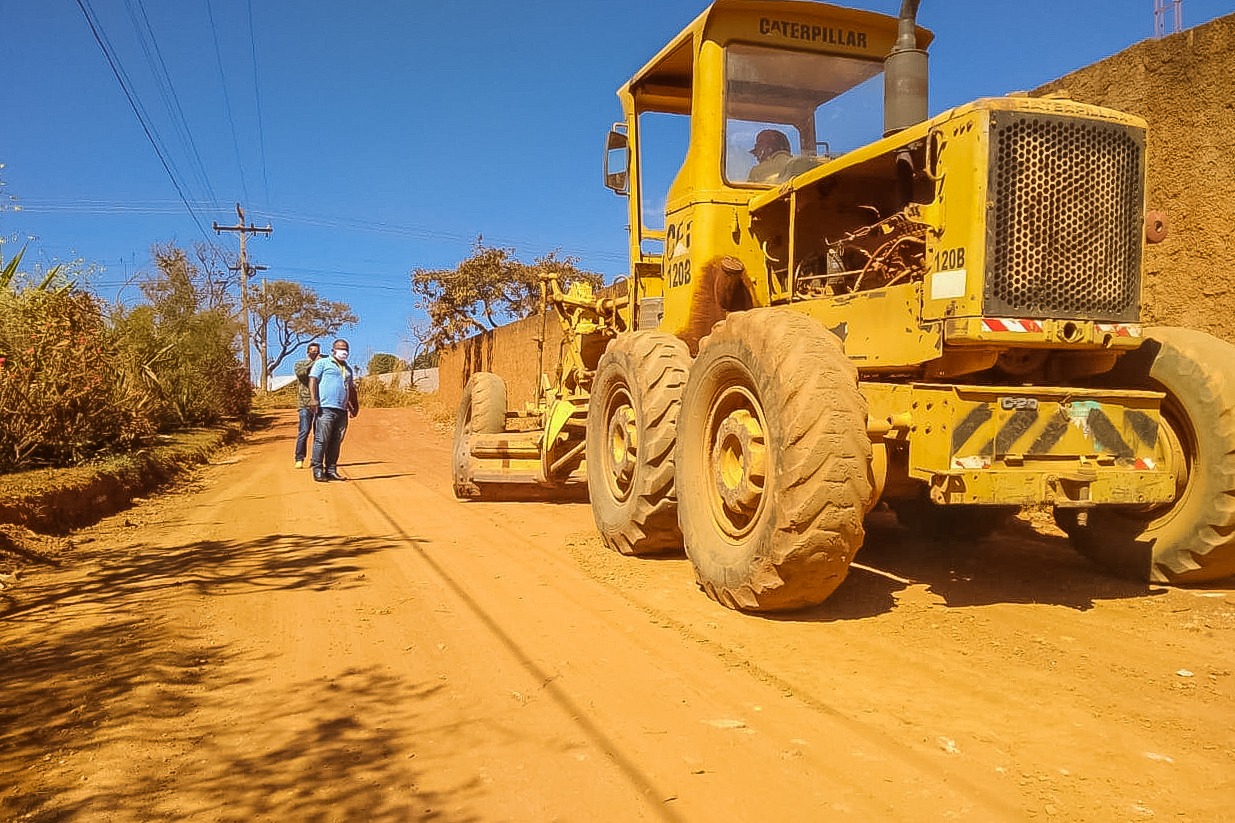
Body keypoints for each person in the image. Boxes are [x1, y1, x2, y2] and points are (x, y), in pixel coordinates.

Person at [308, 338, 359, 482]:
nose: (343, 351)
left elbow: (350, 388)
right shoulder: (322, 363)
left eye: (346, 349)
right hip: (325, 408)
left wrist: (354, 405)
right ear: (333, 350)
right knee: (322, 439)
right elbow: (313, 380)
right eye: (340, 348)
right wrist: (313, 399)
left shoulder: (348, 369)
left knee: (336, 441)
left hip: (342, 410)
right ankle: (317, 469)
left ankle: (331, 470)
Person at [292, 342, 321, 469]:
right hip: (304, 403)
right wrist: (315, 362)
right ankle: (299, 458)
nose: (315, 353)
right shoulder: (300, 364)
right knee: (304, 431)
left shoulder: (322, 365)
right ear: (308, 352)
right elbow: (303, 374)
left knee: (319, 433)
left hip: (320, 403)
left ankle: (315, 459)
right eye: (312, 351)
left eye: (317, 351)